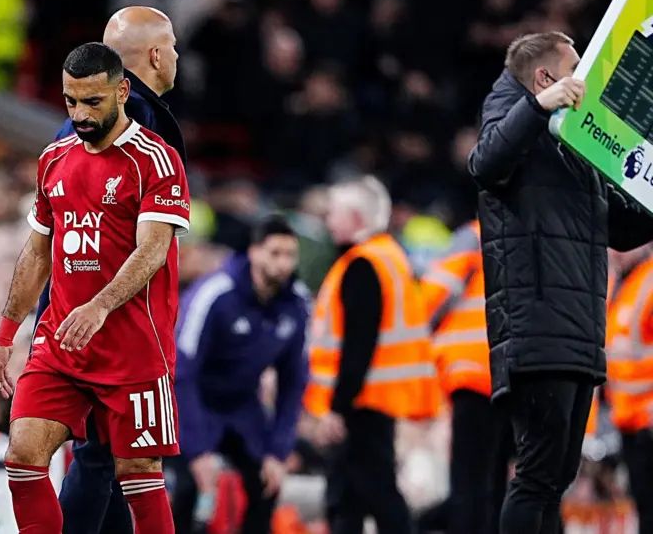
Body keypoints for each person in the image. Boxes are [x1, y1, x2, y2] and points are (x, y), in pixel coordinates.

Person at [0, 42, 191, 534]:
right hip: (62, 342)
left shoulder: (156, 161)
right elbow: (37, 253)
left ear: (122, 91)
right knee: (22, 456)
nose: (79, 114)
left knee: (138, 472)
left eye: (92, 102)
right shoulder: (54, 159)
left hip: (134, 348)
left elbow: (152, 250)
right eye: (70, 101)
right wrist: (5, 335)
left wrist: (99, 306)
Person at [468, 31, 653, 534]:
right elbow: (485, 162)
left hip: (577, 330)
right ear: (545, 78)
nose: (586, 82)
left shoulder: (573, 142)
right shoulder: (513, 119)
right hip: (538, 327)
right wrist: (536, 107)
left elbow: (620, 228)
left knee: (555, 478)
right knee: (537, 476)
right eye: (576, 71)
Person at [37, 6, 184, 534]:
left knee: (113, 460)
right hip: (108, 316)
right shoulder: (132, 123)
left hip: (84, 306)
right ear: (155, 54)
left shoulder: (89, 121)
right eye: (172, 46)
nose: (176, 56)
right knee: (104, 455)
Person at [303, 175, 438, 534]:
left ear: (356, 218)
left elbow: (358, 345)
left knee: (376, 494)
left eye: (334, 213)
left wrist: (337, 407)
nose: (328, 220)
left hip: (362, 402)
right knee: (348, 496)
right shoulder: (387, 257)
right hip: (376, 400)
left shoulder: (363, 264)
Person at [169, 216, 309, 534]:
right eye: (275, 253)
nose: (283, 263)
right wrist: (197, 450)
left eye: (290, 255)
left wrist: (278, 451)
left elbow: (294, 380)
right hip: (193, 403)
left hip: (242, 406)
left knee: (266, 483)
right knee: (188, 487)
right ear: (254, 252)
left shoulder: (296, 304)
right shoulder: (215, 294)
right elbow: (182, 373)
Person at [417, 219, 511, 534]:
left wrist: (418, 337)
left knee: (468, 480)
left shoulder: (475, 234)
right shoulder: (533, 234)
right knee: (497, 478)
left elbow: (434, 294)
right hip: (516, 374)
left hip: (472, 369)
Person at [604, 245, 653, 533]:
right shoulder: (619, 283)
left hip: (648, 415)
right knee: (643, 505)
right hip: (627, 416)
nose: (616, 250)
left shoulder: (648, 281)